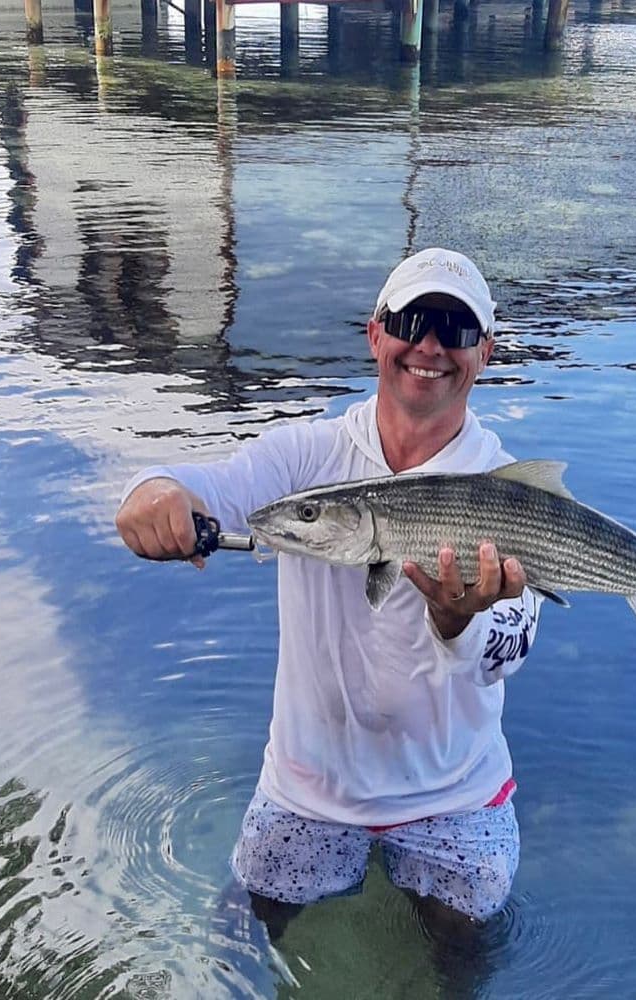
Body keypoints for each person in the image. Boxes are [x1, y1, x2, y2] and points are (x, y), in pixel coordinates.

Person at [116, 248, 541, 934]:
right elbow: (213, 488)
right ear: (376, 334)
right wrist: (153, 492)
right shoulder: (305, 459)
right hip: (306, 791)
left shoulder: (507, 487)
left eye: (456, 329)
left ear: (484, 352)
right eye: (411, 320)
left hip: (456, 793)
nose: (430, 345)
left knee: (464, 956)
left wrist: (457, 620)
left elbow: (511, 650)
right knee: (245, 938)